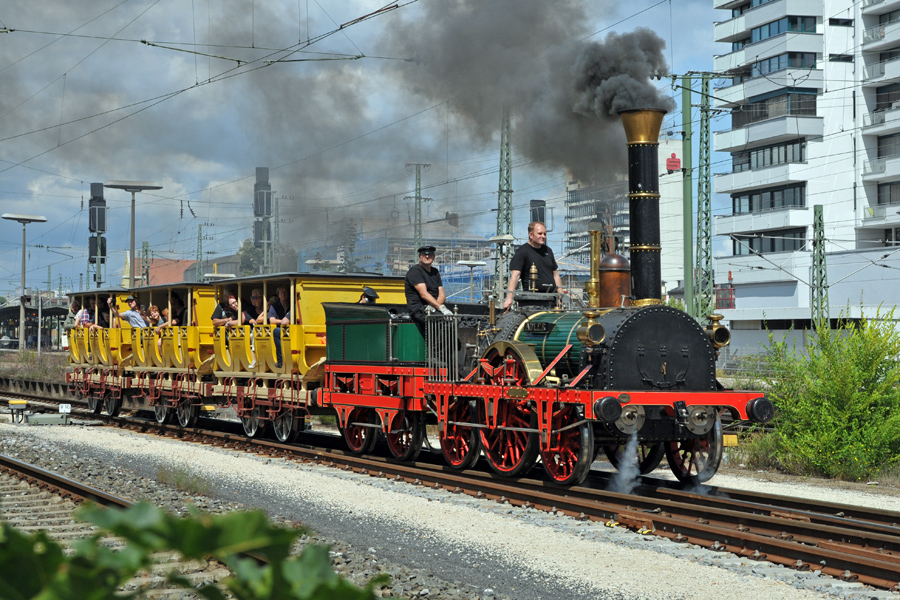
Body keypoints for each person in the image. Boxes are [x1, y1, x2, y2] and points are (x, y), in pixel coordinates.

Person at [503, 221, 566, 309]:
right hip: (532, 301)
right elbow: (515, 276)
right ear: (531, 235)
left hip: (551, 299)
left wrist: (560, 295)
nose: (543, 236)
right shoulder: (522, 251)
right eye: (540, 234)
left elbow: (555, 274)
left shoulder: (548, 251)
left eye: (544, 234)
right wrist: (509, 298)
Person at [405, 245, 452, 338]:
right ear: (420, 257)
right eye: (424, 254)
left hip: (432, 308)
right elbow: (423, 294)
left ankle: (448, 349)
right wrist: (441, 308)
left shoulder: (435, 272)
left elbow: (441, 293)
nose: (427, 256)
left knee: (450, 321)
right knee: (439, 322)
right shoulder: (415, 271)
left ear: (433, 257)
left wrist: (436, 307)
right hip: (418, 309)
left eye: (429, 254)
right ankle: (436, 351)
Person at [267, 286, 290, 368]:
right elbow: (272, 320)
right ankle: (280, 360)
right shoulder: (275, 306)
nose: (283, 294)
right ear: (278, 295)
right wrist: (284, 322)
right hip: (282, 329)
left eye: (285, 292)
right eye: (281, 292)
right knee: (276, 331)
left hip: (292, 329)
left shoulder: (292, 305)